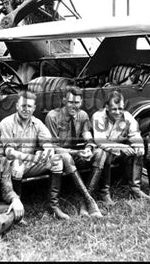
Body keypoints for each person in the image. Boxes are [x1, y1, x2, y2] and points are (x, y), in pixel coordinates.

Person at [0, 90, 102, 220]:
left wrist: (47, 152)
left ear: (34, 108)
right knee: (17, 166)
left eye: (29, 106)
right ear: (17, 106)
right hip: (11, 164)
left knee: (56, 161)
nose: (26, 109)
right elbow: (9, 153)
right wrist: (32, 157)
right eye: (23, 106)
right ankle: (18, 209)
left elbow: (48, 143)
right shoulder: (6, 124)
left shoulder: (37, 123)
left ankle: (54, 206)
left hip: (31, 162)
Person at [45, 86, 106, 216]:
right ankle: (90, 201)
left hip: (75, 155)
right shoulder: (52, 116)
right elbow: (53, 147)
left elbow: (87, 137)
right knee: (66, 156)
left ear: (81, 102)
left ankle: (84, 202)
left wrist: (89, 149)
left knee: (101, 153)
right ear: (63, 101)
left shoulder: (82, 115)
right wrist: (75, 152)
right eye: (70, 102)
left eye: (77, 102)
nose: (74, 106)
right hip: (60, 156)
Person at [91, 89, 150, 202]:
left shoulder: (126, 116)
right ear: (107, 107)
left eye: (121, 108)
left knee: (137, 148)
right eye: (114, 109)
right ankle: (104, 192)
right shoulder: (98, 116)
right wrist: (122, 147)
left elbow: (134, 133)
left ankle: (135, 189)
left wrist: (139, 145)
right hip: (102, 151)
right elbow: (100, 141)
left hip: (119, 149)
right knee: (105, 154)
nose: (118, 112)